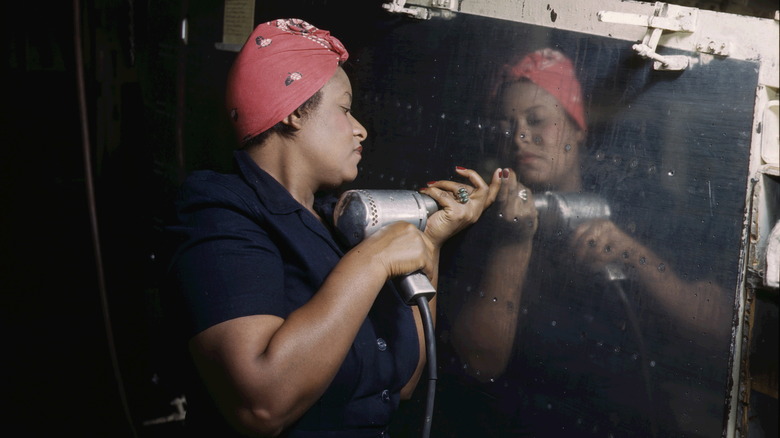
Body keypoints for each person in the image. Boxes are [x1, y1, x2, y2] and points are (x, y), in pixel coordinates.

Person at [164, 18, 502, 437]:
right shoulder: (220, 213)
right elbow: (261, 405)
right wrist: (374, 260)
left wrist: (429, 242)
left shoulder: (334, 223)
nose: (360, 128)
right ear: (292, 112)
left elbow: (406, 382)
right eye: (344, 109)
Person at [442, 48, 733, 436]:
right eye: (505, 125)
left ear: (578, 128)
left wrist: (635, 257)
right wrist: (513, 244)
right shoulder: (480, 221)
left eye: (538, 120)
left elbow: (721, 333)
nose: (520, 136)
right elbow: (480, 362)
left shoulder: (638, 204)